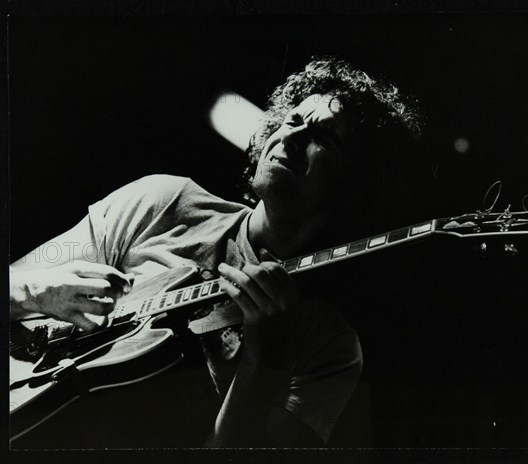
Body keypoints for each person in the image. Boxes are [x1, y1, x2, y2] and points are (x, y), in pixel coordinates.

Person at [9, 58, 421, 447]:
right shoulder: (163, 201)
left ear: (356, 185)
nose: (292, 138)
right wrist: (36, 292)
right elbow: (15, 282)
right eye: (294, 119)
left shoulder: (329, 347)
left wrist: (262, 359)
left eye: (324, 138)